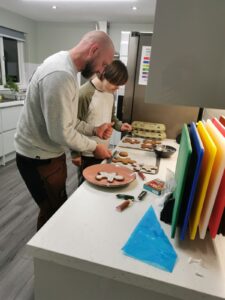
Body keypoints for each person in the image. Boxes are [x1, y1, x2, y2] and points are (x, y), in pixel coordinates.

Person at [15, 30, 115, 230]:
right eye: (103, 64)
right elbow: (61, 132)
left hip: (47, 154)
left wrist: (94, 129)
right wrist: (95, 147)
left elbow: (68, 121)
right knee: (52, 212)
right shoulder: (60, 75)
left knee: (57, 207)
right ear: (93, 50)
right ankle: (48, 256)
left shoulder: (67, 67)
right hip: (38, 159)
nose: (101, 71)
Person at [71, 59, 132, 185]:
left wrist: (120, 126)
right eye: (115, 84)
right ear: (104, 75)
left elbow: (111, 116)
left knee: (101, 185)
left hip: (103, 149)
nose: (117, 88)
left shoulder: (110, 93)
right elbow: (72, 125)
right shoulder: (84, 94)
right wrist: (75, 153)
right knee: (85, 187)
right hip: (86, 153)